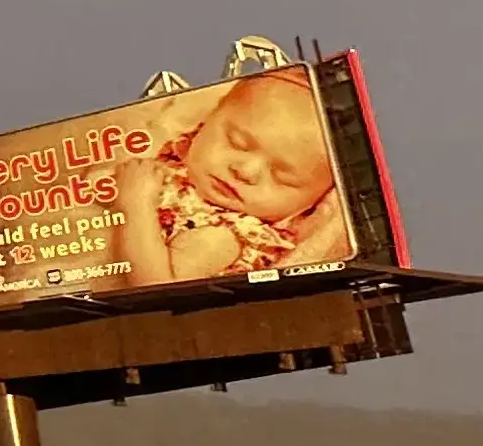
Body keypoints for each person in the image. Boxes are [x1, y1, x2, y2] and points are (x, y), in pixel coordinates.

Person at [108, 70, 352, 285]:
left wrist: (136, 205)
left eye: (282, 177)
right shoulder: (184, 161)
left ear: (306, 208)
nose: (245, 171)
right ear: (204, 125)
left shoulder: (225, 236)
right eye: (236, 142)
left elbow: (157, 286)